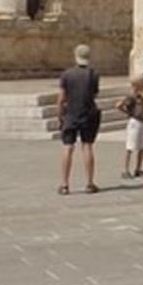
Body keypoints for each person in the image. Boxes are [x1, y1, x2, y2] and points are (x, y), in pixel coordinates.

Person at [55, 46, 102, 195]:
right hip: (88, 113)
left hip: (71, 114)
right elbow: (94, 94)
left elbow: (61, 98)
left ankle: (64, 184)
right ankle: (89, 183)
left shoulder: (67, 75)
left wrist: (60, 115)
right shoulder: (93, 74)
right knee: (87, 147)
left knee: (68, 147)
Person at [116, 75, 143, 179]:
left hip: (142, 122)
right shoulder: (131, 96)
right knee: (130, 146)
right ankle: (125, 169)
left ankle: (138, 169)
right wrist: (128, 112)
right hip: (134, 122)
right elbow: (118, 105)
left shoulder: (142, 97)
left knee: (142, 146)